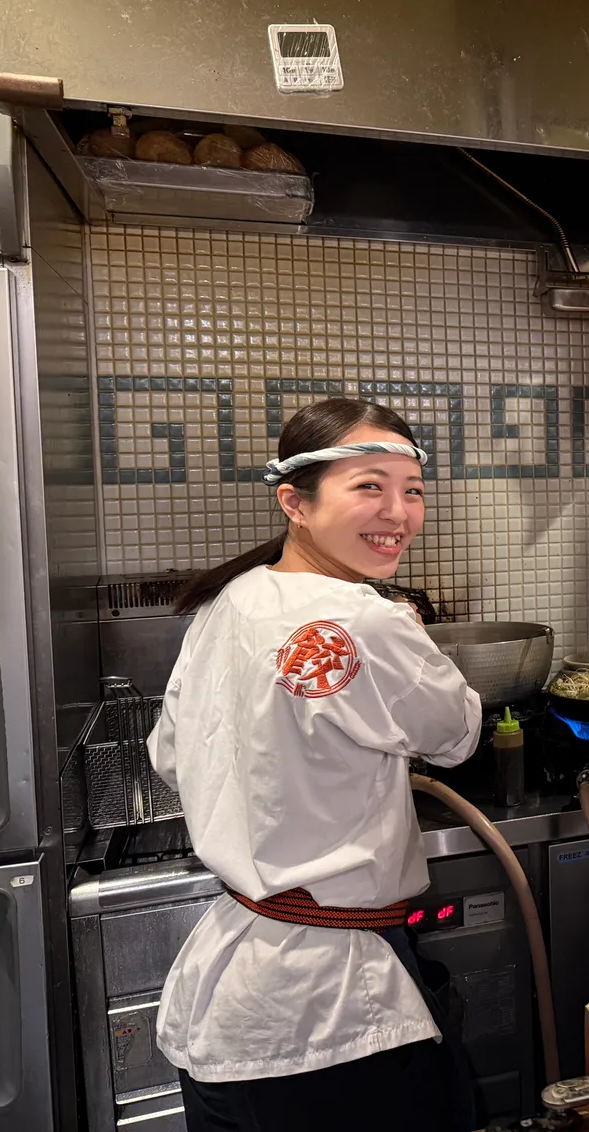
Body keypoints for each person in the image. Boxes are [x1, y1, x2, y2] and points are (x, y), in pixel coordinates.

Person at [147, 398, 482, 1132]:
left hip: (230, 996)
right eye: (368, 486)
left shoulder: (228, 602)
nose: (397, 511)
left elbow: (171, 754)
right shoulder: (367, 619)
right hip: (334, 1017)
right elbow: (456, 734)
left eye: (413, 489)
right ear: (294, 502)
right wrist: (408, 638)